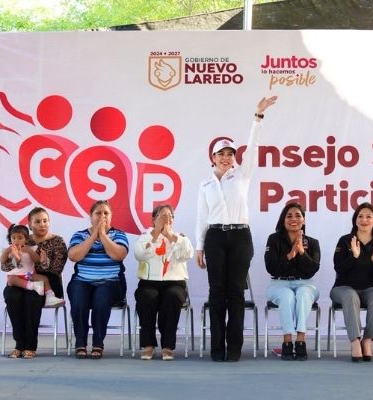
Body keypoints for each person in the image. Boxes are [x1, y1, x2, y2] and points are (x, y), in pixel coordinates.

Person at [195, 95, 278, 362]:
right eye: (221, 154)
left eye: (230, 154)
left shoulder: (242, 174)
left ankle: (234, 349)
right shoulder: (205, 184)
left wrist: (258, 117)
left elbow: (253, 147)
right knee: (216, 292)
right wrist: (199, 246)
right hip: (215, 237)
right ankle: (216, 348)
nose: (226, 158)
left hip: (240, 236)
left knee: (235, 292)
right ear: (213, 157)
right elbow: (202, 217)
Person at [2, 207, 68, 359]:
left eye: (45, 221)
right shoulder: (21, 238)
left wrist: (40, 261)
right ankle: (19, 344)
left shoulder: (58, 241)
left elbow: (56, 269)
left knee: (31, 298)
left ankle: (30, 346)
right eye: (37, 221)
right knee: (12, 296)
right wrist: (16, 260)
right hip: (21, 280)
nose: (42, 224)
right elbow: (4, 267)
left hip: (47, 283)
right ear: (30, 225)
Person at [67, 200, 129, 360]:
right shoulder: (79, 235)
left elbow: (118, 255)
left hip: (111, 282)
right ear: (91, 216)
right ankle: (80, 342)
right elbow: (74, 256)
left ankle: (98, 342)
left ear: (111, 216)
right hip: (82, 280)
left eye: (106, 213)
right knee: (79, 301)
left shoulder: (119, 234)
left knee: (101, 300)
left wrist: (103, 235)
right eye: (98, 213)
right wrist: (94, 235)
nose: (102, 216)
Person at [133, 204, 194, 361]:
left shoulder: (180, 237)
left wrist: (170, 237)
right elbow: (140, 254)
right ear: (154, 219)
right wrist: (155, 236)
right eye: (163, 216)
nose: (167, 219)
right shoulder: (145, 237)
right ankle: (148, 345)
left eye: (170, 216)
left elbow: (188, 253)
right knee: (147, 297)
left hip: (175, 282)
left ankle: (168, 346)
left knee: (172, 297)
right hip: (149, 282)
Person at [330, 202, 373, 362]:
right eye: (360, 216)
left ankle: (367, 339)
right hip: (342, 289)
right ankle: (355, 341)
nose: (364, 220)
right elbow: (339, 268)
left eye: (368, 216)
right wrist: (354, 257)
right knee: (350, 295)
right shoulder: (345, 241)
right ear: (355, 220)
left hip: (369, 289)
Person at [264, 202, 320, 361]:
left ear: (304, 220)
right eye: (289, 216)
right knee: (286, 296)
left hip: (306, 283)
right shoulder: (273, 239)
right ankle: (287, 340)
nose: (293, 219)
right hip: (279, 284)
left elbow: (312, 269)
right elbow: (272, 268)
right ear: (283, 220)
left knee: (303, 294)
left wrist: (301, 253)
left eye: (298, 215)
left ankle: (301, 340)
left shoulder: (313, 242)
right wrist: (290, 255)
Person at [2, 224, 64, 307]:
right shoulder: (9, 250)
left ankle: (50, 297)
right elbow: (2, 261)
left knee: (44, 278)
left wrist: (37, 256)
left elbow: (36, 260)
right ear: (10, 239)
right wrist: (6, 252)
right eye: (13, 238)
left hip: (29, 275)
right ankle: (32, 286)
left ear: (26, 239)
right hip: (16, 276)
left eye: (20, 238)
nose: (16, 241)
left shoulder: (30, 249)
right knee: (11, 280)